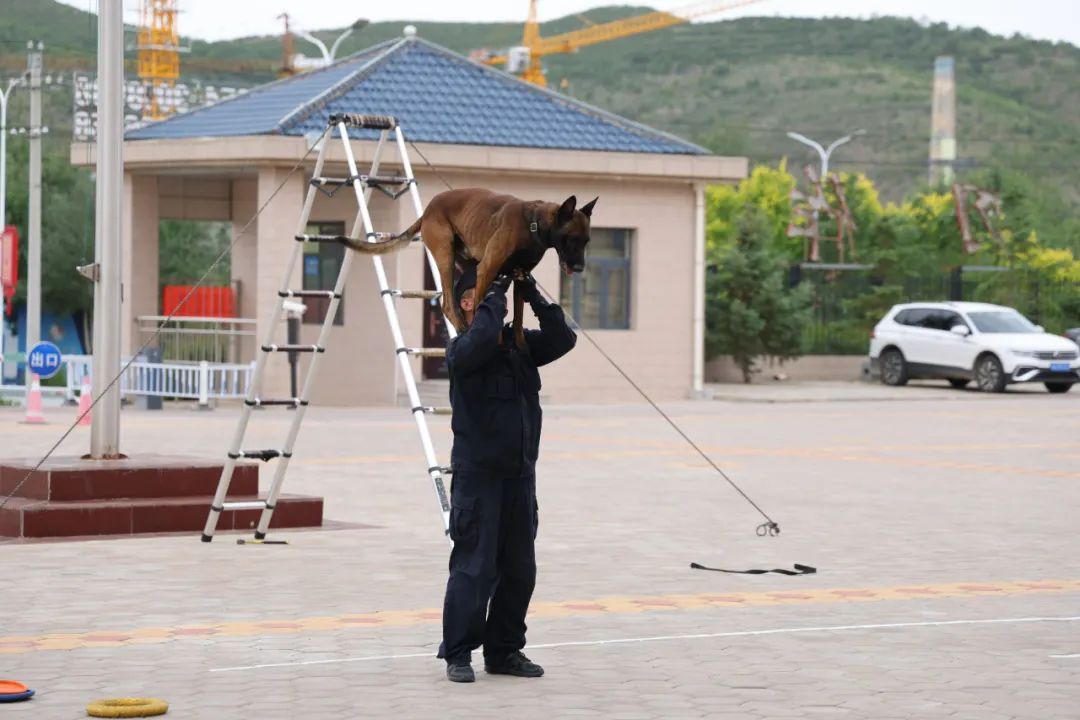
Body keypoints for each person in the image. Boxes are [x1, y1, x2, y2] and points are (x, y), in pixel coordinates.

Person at [437, 264, 577, 683]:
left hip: (520, 477)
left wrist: (529, 291)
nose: (494, 303)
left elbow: (563, 338)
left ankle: (504, 651)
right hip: (478, 479)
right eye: (483, 296)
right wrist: (496, 292)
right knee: (474, 569)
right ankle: (459, 653)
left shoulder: (520, 347)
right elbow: (481, 338)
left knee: (519, 571)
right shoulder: (463, 350)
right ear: (467, 303)